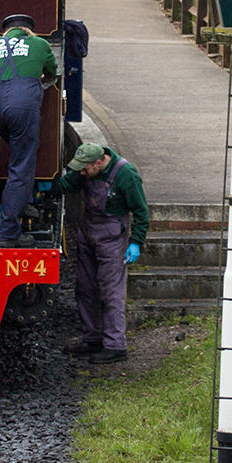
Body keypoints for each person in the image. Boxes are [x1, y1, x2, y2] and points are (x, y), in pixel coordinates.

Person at [60, 140, 147, 363]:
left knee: (111, 292)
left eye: (85, 168)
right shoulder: (87, 168)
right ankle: (92, 339)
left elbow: (141, 211)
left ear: (98, 163)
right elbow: (68, 185)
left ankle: (116, 345)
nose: (81, 172)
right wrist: (44, 186)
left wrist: (135, 241)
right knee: (86, 287)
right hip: (88, 231)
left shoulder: (127, 175)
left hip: (112, 238)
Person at [0, 13, 57, 241]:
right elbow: (51, 72)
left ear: (6, 31)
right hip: (22, 104)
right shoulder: (40, 44)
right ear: (28, 30)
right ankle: (8, 234)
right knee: (21, 167)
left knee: (17, 150)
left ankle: (26, 201)